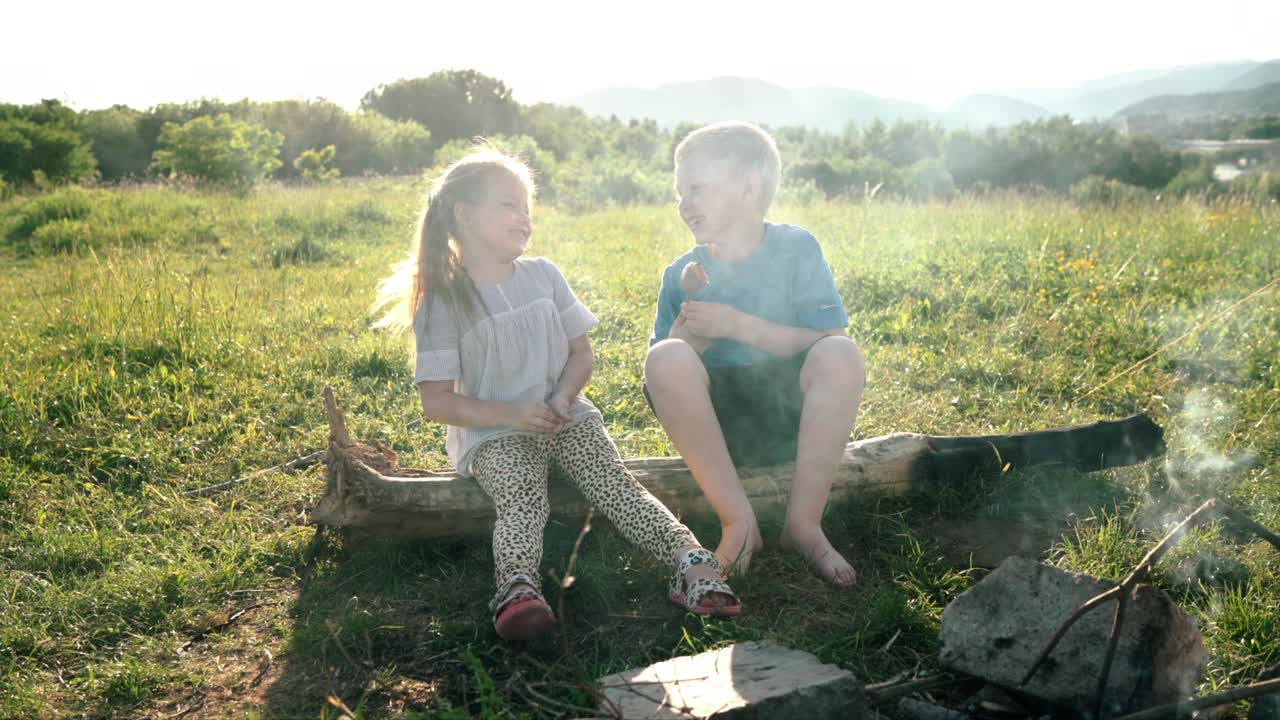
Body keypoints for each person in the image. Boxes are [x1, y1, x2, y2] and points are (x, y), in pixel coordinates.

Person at [375, 147, 740, 642]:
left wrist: (565, 397)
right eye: (508, 205)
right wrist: (511, 413)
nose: (524, 218)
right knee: (523, 497)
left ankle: (690, 561)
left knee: (615, 484)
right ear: (464, 214)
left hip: (566, 416)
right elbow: (436, 402)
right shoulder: (445, 299)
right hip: (495, 433)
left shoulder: (543, 275)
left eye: (527, 207)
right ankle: (518, 589)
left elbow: (580, 354)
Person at [644, 122, 866, 587]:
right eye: (679, 193)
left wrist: (736, 326)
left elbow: (825, 338)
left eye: (698, 189)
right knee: (666, 357)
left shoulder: (795, 248)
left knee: (842, 353)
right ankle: (738, 523)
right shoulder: (680, 274)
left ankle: (803, 524)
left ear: (749, 187)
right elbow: (663, 380)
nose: (684, 203)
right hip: (718, 434)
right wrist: (687, 339)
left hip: (791, 417)